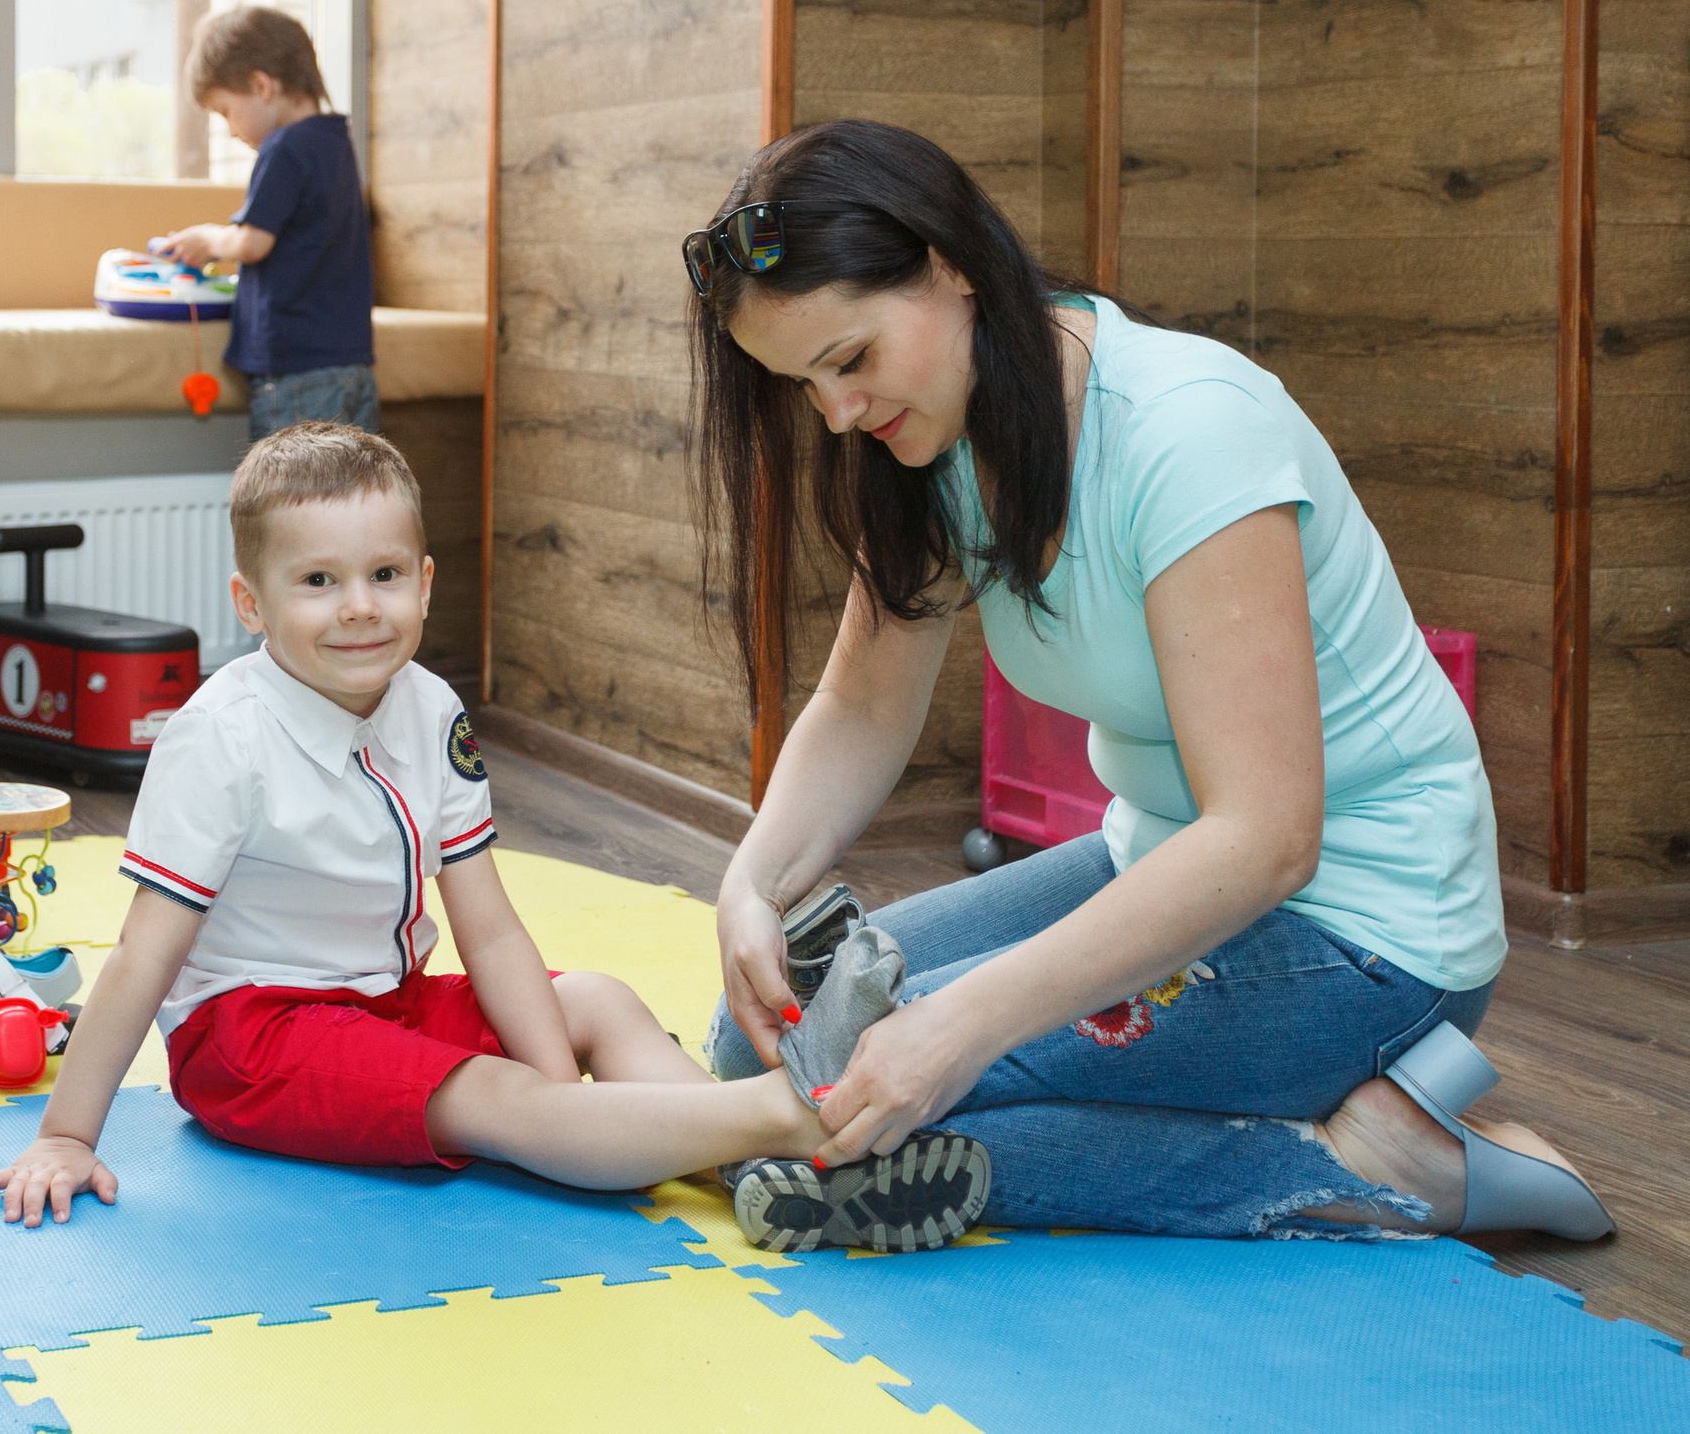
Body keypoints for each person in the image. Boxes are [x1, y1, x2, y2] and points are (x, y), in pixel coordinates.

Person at [685, 119, 1615, 1246]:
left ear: (951, 267)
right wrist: (753, 881)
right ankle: (1303, 1124)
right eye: (803, 384)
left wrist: (960, 1026)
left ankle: (1379, 1172)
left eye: (850, 360)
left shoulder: (1188, 430)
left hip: (1370, 931)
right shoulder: (928, 442)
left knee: (846, 1100)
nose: (837, 413)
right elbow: (862, 704)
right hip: (1161, 863)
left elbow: (1266, 839)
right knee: (759, 1045)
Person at [0, 423, 992, 1253]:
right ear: (252, 603)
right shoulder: (220, 737)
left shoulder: (428, 707)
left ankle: (760, 1170)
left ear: (424, 582)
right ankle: (801, 1119)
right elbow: (142, 957)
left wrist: (562, 1088)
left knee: (596, 1000)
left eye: (383, 573)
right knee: (500, 1099)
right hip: (252, 1037)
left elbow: (491, 929)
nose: (360, 608)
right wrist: (67, 1134)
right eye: (318, 581)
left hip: (387, 1001)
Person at [157, 7, 379, 442]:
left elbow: (252, 243)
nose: (230, 131)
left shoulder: (284, 148)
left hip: (296, 371)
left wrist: (208, 239)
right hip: (351, 366)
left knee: (288, 485)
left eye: (225, 111)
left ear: (262, 86)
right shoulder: (336, 141)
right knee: (352, 479)